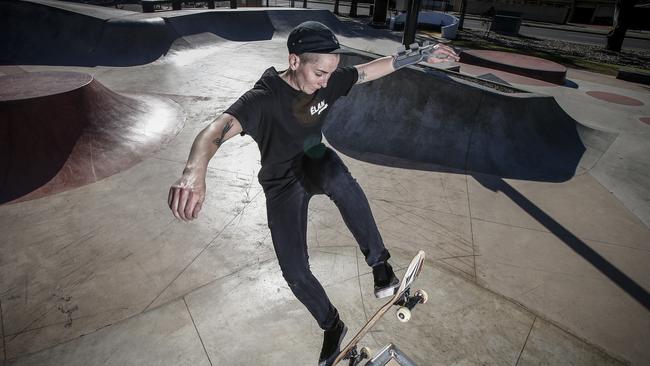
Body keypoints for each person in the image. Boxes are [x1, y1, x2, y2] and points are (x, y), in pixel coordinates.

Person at [168, 21, 459, 366]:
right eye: (319, 73)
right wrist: (193, 172)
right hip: (280, 184)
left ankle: (380, 266)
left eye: (329, 74)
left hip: (313, 160)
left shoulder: (330, 78)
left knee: (337, 176)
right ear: (294, 62)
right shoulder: (263, 99)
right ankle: (332, 326)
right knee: (294, 270)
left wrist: (418, 56)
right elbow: (216, 129)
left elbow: (366, 72)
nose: (325, 82)